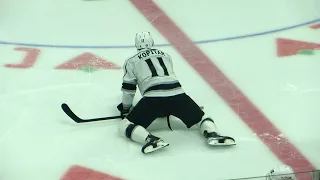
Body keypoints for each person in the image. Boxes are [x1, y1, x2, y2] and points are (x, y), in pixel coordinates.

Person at [117, 32, 235, 154]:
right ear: (152, 42)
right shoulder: (166, 56)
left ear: (136, 45)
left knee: (124, 126)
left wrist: (126, 109)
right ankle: (212, 133)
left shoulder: (131, 61)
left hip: (153, 99)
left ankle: (150, 139)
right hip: (178, 95)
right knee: (201, 118)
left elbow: (129, 90)